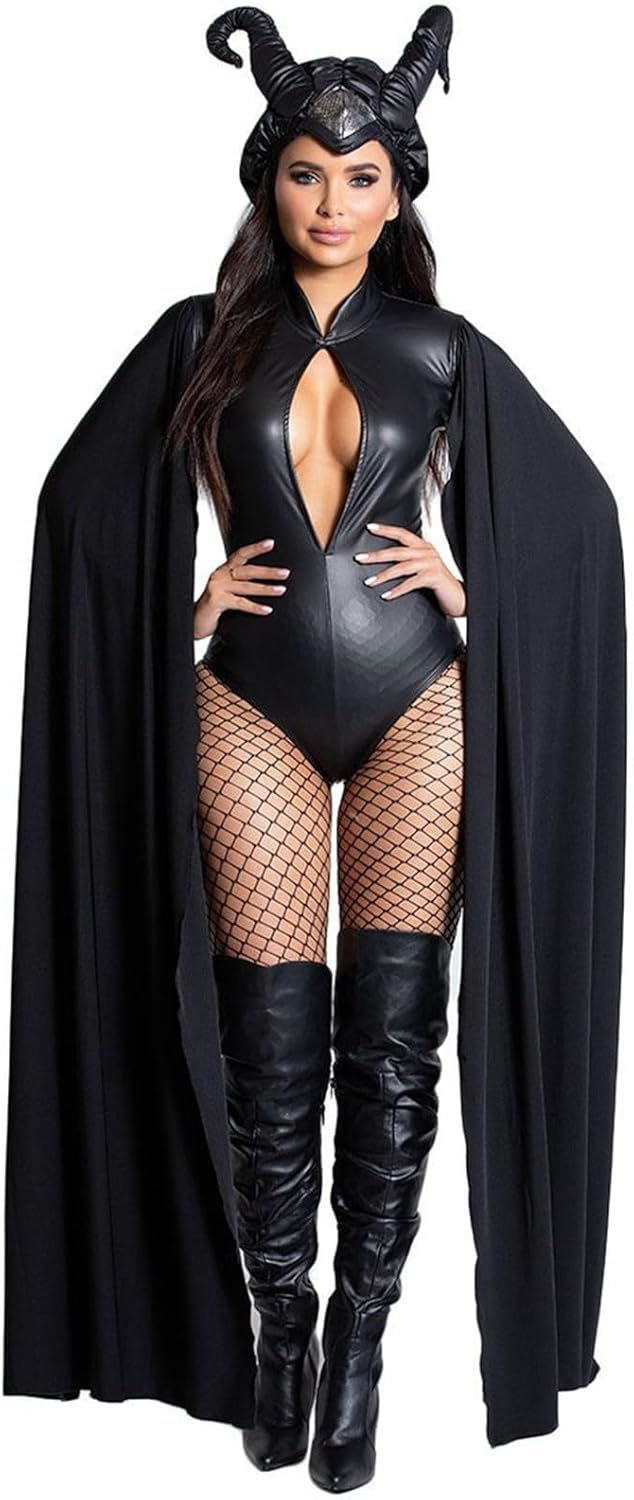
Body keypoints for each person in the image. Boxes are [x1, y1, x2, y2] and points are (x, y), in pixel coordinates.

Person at [4, 7, 626, 1491]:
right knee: (269, 1038)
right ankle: (276, 1330)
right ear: (265, 181)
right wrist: (175, 606)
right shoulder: (198, 338)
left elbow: (583, 520)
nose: (331, 202)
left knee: (394, 1034)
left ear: (400, 193)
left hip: (419, 699)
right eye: (304, 173)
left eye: (360, 178)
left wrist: (477, 589)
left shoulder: (445, 350)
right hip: (251, 702)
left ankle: (360, 1343)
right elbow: (74, 507)